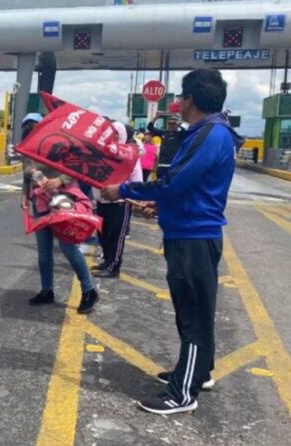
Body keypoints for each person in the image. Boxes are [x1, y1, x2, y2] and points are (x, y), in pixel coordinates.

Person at [102, 69, 244, 415]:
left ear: (191, 100)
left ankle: (183, 394)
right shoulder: (208, 132)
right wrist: (160, 205)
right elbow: (187, 187)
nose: (176, 103)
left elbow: (174, 182)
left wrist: (122, 190)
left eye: (180, 97)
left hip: (193, 238)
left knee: (193, 315)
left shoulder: (211, 135)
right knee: (193, 310)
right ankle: (199, 372)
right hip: (189, 232)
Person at [20, 113, 99, 314]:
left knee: (68, 247)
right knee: (44, 251)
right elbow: (27, 174)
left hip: (63, 202)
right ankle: (47, 290)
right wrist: (24, 195)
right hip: (40, 202)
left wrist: (59, 180)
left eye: (35, 128)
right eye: (28, 129)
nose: (32, 132)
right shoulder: (26, 148)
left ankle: (89, 290)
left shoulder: (60, 144)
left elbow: (76, 169)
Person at [92, 122, 143, 279]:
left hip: (120, 203)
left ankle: (114, 266)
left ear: (121, 135)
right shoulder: (101, 153)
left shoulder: (129, 155)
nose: (111, 136)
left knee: (116, 236)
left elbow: (137, 180)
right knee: (103, 234)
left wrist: (124, 192)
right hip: (101, 201)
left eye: (114, 133)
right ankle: (107, 260)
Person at [147, 113, 185, 180]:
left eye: (173, 124)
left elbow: (188, 131)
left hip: (173, 165)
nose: (171, 125)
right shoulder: (163, 133)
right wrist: (156, 117)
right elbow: (150, 127)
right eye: (169, 123)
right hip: (161, 165)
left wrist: (180, 124)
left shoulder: (180, 135)